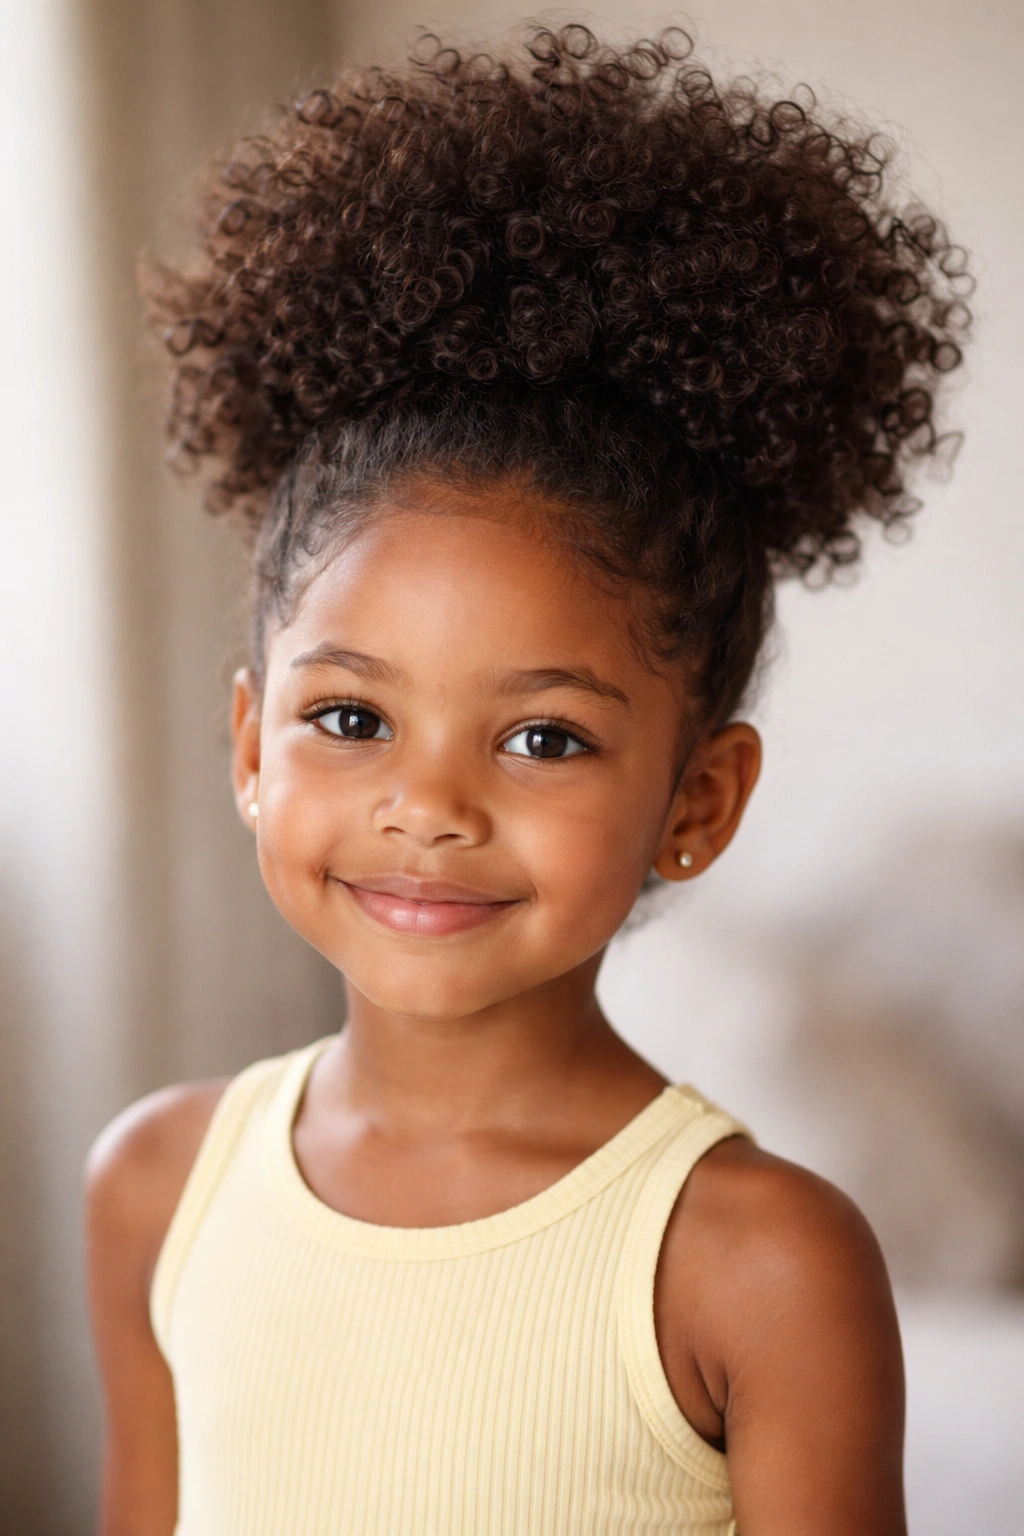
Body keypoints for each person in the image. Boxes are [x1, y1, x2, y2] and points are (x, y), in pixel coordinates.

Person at [84, 27, 969, 1535]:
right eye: (352, 718)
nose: (427, 804)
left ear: (697, 803)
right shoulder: (157, 1183)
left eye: (543, 737)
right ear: (248, 747)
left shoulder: (757, 1263)